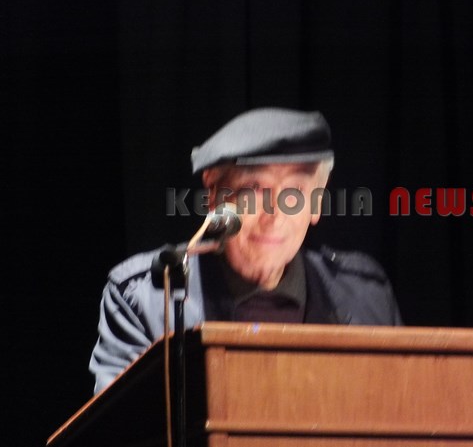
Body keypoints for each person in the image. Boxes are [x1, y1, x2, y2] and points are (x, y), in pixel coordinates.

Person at [89, 107, 403, 394]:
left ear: (317, 202)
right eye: (254, 190)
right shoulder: (146, 297)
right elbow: (124, 426)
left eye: (295, 192)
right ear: (214, 197)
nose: (276, 214)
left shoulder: (367, 295)